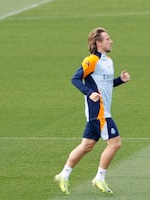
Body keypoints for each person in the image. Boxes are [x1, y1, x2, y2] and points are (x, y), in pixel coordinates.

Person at [55, 27, 130, 195]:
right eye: (107, 39)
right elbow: (75, 79)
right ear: (98, 43)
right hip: (100, 112)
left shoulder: (108, 61)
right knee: (115, 143)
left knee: (86, 145)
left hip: (100, 112)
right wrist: (90, 93)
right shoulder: (92, 60)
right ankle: (99, 178)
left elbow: (106, 85)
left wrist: (120, 80)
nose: (111, 41)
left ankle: (63, 174)